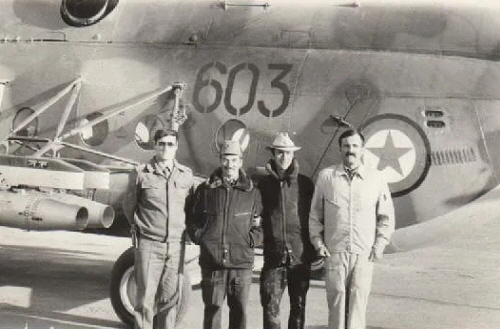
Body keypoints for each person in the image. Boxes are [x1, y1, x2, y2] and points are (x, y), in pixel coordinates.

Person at [309, 129, 395, 329]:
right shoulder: (327, 177)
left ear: (362, 150)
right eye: (346, 146)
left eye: (355, 146)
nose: (351, 150)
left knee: (358, 307)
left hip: (364, 253)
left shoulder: (376, 178)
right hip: (335, 252)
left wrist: (379, 244)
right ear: (340, 149)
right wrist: (318, 243)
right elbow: (315, 215)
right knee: (336, 306)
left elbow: (385, 217)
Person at [186, 140, 263, 329]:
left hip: (241, 265)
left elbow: (263, 224)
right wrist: (200, 236)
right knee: (213, 311)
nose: (230, 165)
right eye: (226, 160)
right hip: (213, 264)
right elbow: (192, 218)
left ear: (241, 162)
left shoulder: (252, 193)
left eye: (234, 160)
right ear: (220, 160)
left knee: (239, 312)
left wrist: (251, 240)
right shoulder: (206, 190)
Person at [123, 128, 194, 329]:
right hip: (149, 245)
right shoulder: (141, 174)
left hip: (175, 246)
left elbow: (190, 208)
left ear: (176, 147)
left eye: (170, 144)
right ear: (155, 145)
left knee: (170, 300)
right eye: (161, 143)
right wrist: (142, 228)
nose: (165, 147)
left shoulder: (186, 176)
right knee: (145, 300)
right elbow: (129, 206)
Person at [257, 132, 315, 329]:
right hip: (274, 257)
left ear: (293, 155)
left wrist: (314, 248)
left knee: (298, 307)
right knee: (270, 308)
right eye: (279, 153)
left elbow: (315, 217)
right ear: (273, 154)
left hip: (299, 257)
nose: (284, 157)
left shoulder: (305, 184)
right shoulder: (262, 184)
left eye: (288, 153)